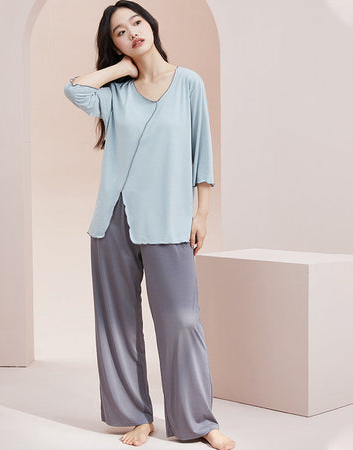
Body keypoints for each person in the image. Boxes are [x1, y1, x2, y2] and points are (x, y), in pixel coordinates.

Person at [63, 2, 235, 449]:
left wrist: (201, 214)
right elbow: (75, 89)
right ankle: (134, 416)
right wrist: (121, 69)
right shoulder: (116, 93)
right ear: (114, 44)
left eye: (136, 22)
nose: (132, 33)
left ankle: (198, 421)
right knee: (118, 322)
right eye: (120, 32)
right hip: (113, 220)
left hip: (168, 219)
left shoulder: (188, 83)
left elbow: (202, 151)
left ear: (151, 25)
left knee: (182, 320)